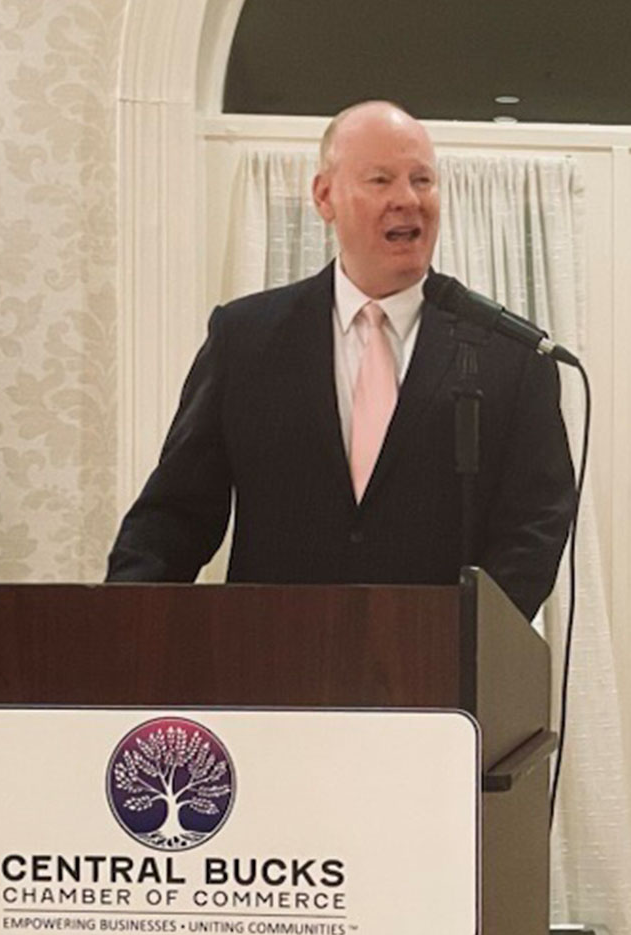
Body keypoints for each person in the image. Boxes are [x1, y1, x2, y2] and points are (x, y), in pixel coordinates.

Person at [107, 102, 575, 619]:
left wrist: (467, 639)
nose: (408, 200)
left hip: (439, 676)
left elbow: (535, 529)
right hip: (273, 665)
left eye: (423, 180)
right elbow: (176, 514)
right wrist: (120, 629)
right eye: (381, 180)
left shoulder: (510, 355)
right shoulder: (246, 339)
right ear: (325, 196)